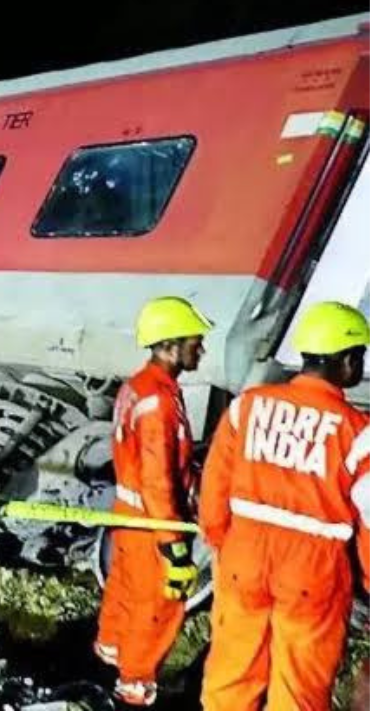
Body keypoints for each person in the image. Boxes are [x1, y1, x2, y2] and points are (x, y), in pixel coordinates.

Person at [199, 301, 370, 710]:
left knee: (230, 679)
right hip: (313, 571)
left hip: (244, 558)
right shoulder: (357, 432)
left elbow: (214, 488)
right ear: (348, 361)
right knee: (297, 690)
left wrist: (223, 543)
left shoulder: (247, 407)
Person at [93, 296, 209, 706]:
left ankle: (107, 668)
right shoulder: (159, 399)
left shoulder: (137, 386)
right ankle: (135, 689)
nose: (201, 350)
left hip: (129, 516)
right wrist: (173, 546)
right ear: (170, 345)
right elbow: (158, 480)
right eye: (195, 342)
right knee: (157, 608)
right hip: (153, 522)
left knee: (124, 595)